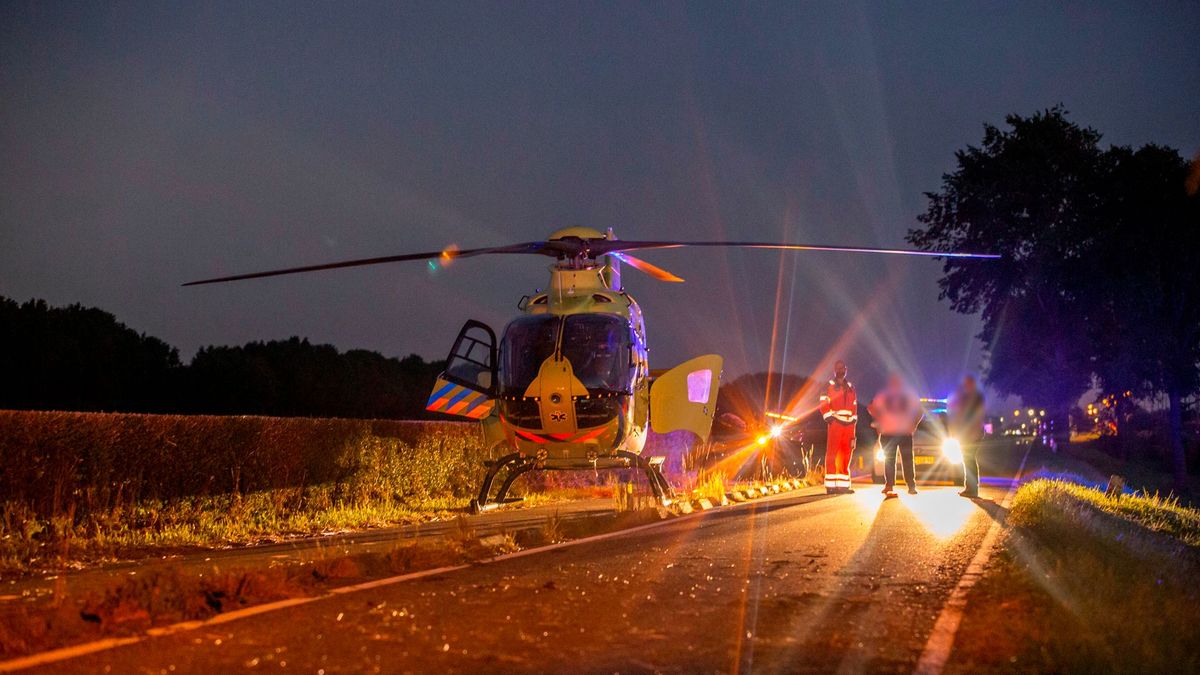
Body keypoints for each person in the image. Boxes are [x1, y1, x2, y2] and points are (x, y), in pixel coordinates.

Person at [869, 374, 923, 495]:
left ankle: (911, 485)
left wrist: (913, 424)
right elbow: (871, 407)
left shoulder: (909, 394)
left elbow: (920, 411)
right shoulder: (883, 395)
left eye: (897, 381)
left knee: (907, 460)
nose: (895, 383)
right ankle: (889, 485)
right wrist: (880, 421)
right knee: (889, 460)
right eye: (893, 381)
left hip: (904, 432)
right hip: (888, 433)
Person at [818, 360, 857, 494]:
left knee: (846, 453)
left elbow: (854, 405)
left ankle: (843, 486)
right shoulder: (829, 385)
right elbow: (823, 402)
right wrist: (828, 416)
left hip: (849, 425)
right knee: (832, 453)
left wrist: (853, 420)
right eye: (838, 368)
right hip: (835, 423)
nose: (841, 370)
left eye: (843, 368)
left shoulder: (851, 387)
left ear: (846, 369)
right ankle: (831, 486)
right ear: (835, 370)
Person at [950, 374, 986, 498]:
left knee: (969, 459)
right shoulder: (969, 397)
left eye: (967, 384)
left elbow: (976, 416)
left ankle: (972, 488)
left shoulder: (976, 398)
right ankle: (971, 487)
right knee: (968, 460)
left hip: (972, 434)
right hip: (967, 434)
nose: (965, 386)